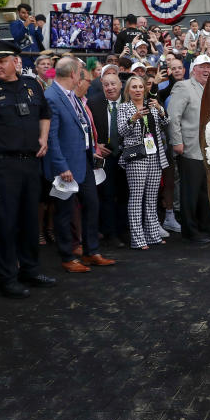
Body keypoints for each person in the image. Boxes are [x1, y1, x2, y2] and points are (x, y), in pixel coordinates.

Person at [0, 40, 55, 299]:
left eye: (1, 61)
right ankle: (6, 277)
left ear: (16, 61)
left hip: (30, 163)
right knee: (5, 223)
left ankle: (30, 269)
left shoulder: (32, 85)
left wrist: (43, 138)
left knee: (29, 220)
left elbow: (45, 115)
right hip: (2, 165)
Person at [43, 57, 116, 272]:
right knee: (65, 212)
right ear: (74, 74)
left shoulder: (72, 96)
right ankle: (67, 256)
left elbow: (82, 125)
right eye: (82, 72)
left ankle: (91, 251)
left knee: (92, 204)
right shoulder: (52, 97)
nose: (84, 77)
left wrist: (92, 149)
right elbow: (51, 137)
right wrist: (61, 166)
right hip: (65, 166)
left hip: (84, 160)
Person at [119, 74, 170, 249]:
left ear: (145, 89)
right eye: (134, 87)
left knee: (151, 198)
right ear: (128, 90)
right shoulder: (124, 108)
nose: (138, 90)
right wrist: (134, 118)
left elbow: (166, 122)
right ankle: (137, 238)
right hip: (136, 157)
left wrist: (161, 109)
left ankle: (153, 235)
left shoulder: (152, 105)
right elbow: (122, 131)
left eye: (141, 87)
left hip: (155, 155)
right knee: (136, 198)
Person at [167, 54, 210, 243]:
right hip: (189, 147)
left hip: (208, 149)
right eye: (202, 67)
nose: (206, 70)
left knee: (205, 191)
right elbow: (173, 116)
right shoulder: (183, 87)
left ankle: (205, 225)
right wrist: (176, 141)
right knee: (190, 192)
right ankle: (190, 230)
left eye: (209, 67)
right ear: (193, 69)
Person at [88, 69, 129, 247]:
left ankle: (123, 230)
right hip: (104, 157)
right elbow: (87, 128)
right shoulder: (94, 102)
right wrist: (96, 145)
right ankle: (110, 233)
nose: (110, 88)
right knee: (107, 195)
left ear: (121, 85)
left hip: (127, 156)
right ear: (101, 86)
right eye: (106, 85)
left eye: (113, 84)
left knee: (125, 194)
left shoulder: (129, 102)